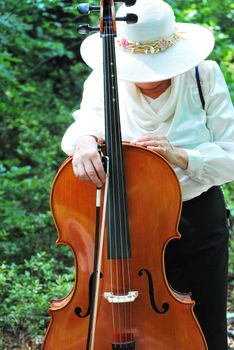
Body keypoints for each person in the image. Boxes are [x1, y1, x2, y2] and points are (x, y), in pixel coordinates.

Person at [61, 1, 234, 349]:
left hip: (196, 219)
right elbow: (83, 126)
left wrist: (182, 157)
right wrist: (84, 141)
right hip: (129, 222)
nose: (149, 78)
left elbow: (231, 155)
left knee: (204, 329)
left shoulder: (205, 74)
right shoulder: (104, 76)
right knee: (136, 326)